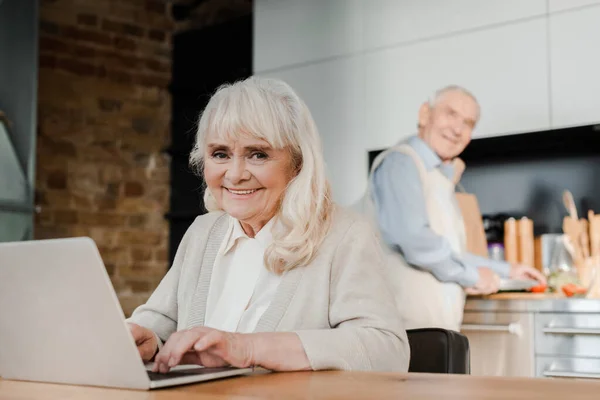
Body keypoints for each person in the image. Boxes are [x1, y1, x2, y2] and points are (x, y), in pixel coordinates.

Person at [126, 77, 410, 374]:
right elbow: (160, 320)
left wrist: (248, 348)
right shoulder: (203, 231)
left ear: (297, 163)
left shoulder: (346, 235)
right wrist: (150, 338)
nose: (235, 175)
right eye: (220, 154)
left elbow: (387, 350)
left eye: (258, 154)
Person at [362, 85, 545, 331]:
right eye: (450, 114)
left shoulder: (437, 177)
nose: (457, 129)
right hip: (403, 332)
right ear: (425, 114)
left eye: (468, 123)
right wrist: (474, 276)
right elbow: (415, 241)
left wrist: (507, 270)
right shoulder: (401, 162)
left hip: (431, 330)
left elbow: (446, 250)